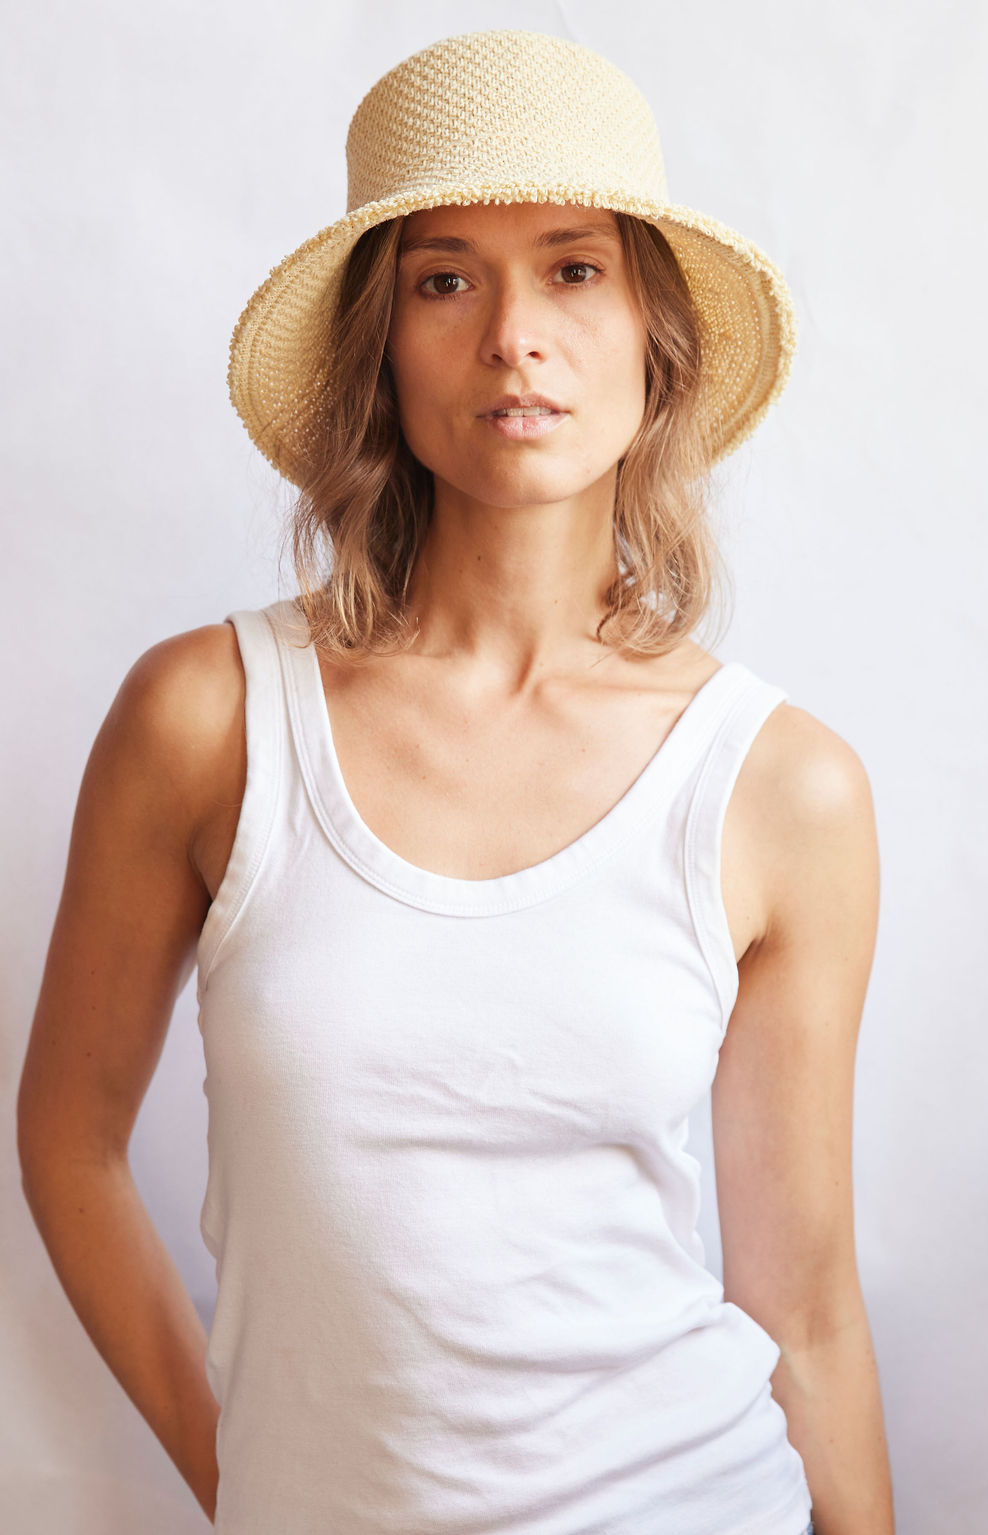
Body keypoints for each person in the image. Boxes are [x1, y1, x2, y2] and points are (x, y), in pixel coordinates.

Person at [17, 28, 895, 1535]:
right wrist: (244, 1480)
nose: (513, 338)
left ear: (653, 339)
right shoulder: (209, 719)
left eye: (574, 269)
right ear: (381, 345)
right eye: (444, 280)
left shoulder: (779, 785)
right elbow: (69, 1143)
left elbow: (806, 1314)